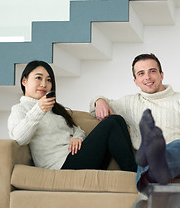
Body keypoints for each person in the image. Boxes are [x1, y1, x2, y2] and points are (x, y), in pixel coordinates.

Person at [89, 53, 180, 192]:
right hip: (152, 163)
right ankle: (152, 168)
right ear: (135, 81)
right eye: (141, 73)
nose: (147, 77)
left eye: (152, 71)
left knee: (177, 146)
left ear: (161, 75)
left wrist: (165, 149)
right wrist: (99, 101)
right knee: (149, 158)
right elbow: (95, 109)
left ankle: (155, 158)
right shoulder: (129, 103)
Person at [8, 60, 137, 172]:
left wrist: (77, 138)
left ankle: (134, 174)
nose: (44, 84)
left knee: (117, 119)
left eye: (48, 80)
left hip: (76, 157)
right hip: (60, 165)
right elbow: (19, 138)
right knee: (110, 124)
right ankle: (135, 174)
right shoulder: (20, 109)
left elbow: (77, 130)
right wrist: (39, 110)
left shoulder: (55, 109)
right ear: (24, 81)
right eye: (38, 78)